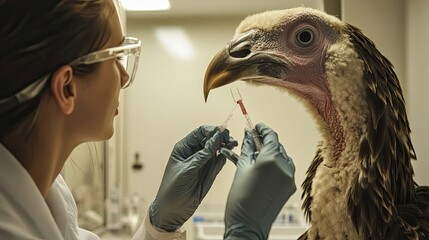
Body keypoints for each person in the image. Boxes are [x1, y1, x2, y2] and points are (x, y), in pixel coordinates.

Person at [0, 0, 296, 239]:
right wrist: (244, 234)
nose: (124, 75)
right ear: (67, 88)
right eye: (115, 57)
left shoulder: (50, 198)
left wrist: (159, 227)